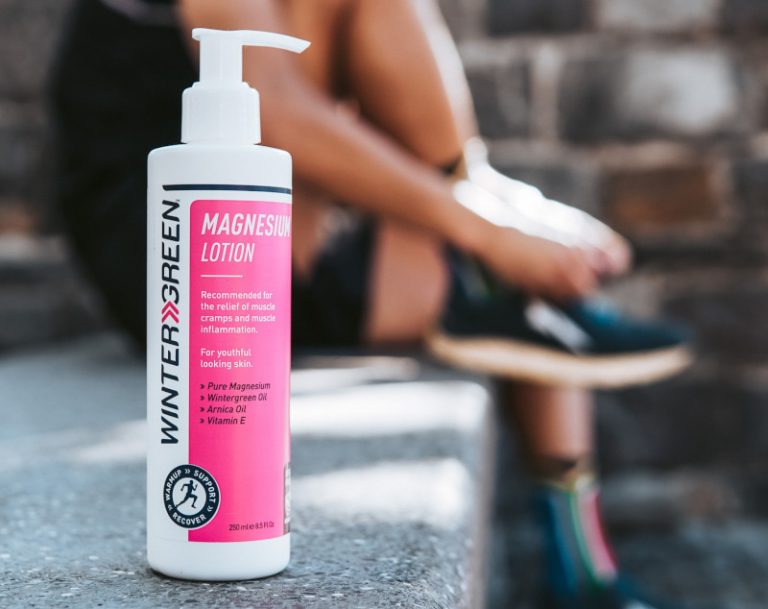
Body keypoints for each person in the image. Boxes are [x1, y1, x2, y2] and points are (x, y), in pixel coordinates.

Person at [50, 0, 692, 607]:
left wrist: (490, 231)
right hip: (167, 254)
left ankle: (581, 572)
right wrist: (492, 235)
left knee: (514, 284)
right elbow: (277, 110)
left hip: (269, 228)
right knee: (505, 270)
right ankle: (482, 218)